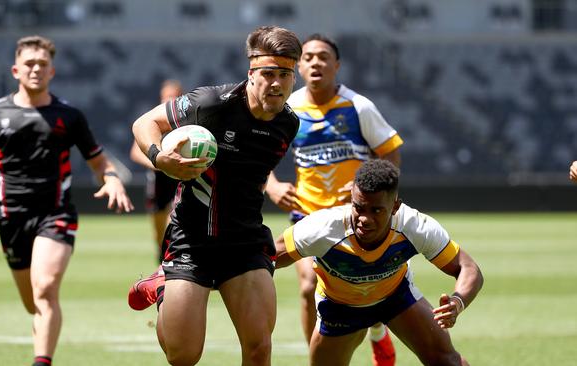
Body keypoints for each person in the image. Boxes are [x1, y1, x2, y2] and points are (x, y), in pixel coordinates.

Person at [128, 26, 302, 365]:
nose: (277, 83)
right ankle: (164, 285)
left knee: (259, 348)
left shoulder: (288, 124)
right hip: (193, 242)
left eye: (285, 74)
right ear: (251, 73)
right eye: (268, 74)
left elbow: (249, 170)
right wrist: (158, 156)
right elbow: (143, 122)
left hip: (246, 242)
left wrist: (274, 184)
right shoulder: (211, 104)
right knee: (184, 355)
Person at [0, 35, 133, 366]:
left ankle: (42, 361)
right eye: (29, 64)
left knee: (46, 287)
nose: (36, 69)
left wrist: (110, 179)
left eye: (42, 64)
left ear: (52, 71)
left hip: (56, 213)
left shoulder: (69, 116)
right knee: (33, 302)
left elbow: (99, 161)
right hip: (11, 217)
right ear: (15, 70)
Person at [265, 33, 403, 365]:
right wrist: (271, 185)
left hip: (353, 219)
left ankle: (377, 330)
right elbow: (261, 152)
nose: (316, 62)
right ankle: (319, 358)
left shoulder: (358, 106)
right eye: (308, 57)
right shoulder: (290, 108)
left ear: (336, 65)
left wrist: (374, 195)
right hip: (307, 214)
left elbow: (391, 153)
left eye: (323, 57)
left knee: (362, 289)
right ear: (299, 65)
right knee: (308, 286)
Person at [275, 159, 484, 366]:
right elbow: (267, 258)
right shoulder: (321, 228)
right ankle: (378, 335)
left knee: (448, 362)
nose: (364, 219)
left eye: (375, 210)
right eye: (358, 207)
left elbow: (468, 268)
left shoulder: (415, 226)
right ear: (351, 199)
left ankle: (378, 333)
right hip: (339, 308)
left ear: (395, 207)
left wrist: (457, 302)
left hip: (395, 298)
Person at [129, 80, 183, 262]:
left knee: (173, 221)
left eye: (174, 96)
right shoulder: (153, 121)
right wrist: (158, 162)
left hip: (179, 177)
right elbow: (135, 152)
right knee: (159, 229)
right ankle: (161, 254)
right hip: (159, 179)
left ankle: (172, 258)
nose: (170, 99)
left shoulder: (187, 122)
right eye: (167, 96)